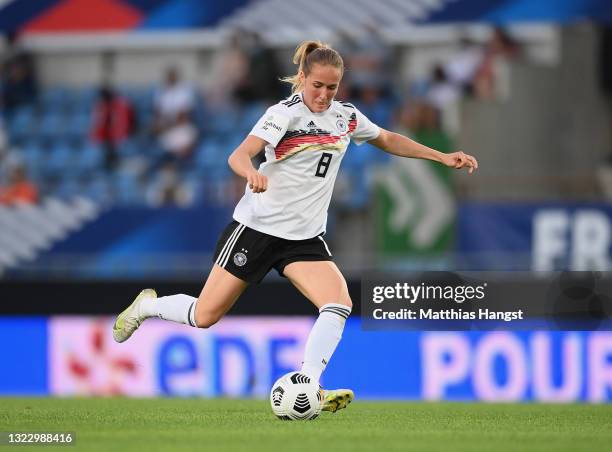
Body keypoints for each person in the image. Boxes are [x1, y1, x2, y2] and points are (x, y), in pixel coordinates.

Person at [112, 40, 478, 412]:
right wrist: (251, 173)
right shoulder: (283, 115)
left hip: (303, 238)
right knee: (204, 316)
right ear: (302, 78)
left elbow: (386, 138)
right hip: (257, 230)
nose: (323, 94)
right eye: (317, 85)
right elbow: (238, 154)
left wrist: (441, 156)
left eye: (331, 87)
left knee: (338, 303)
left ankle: (309, 385)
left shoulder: (346, 117)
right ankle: (148, 307)